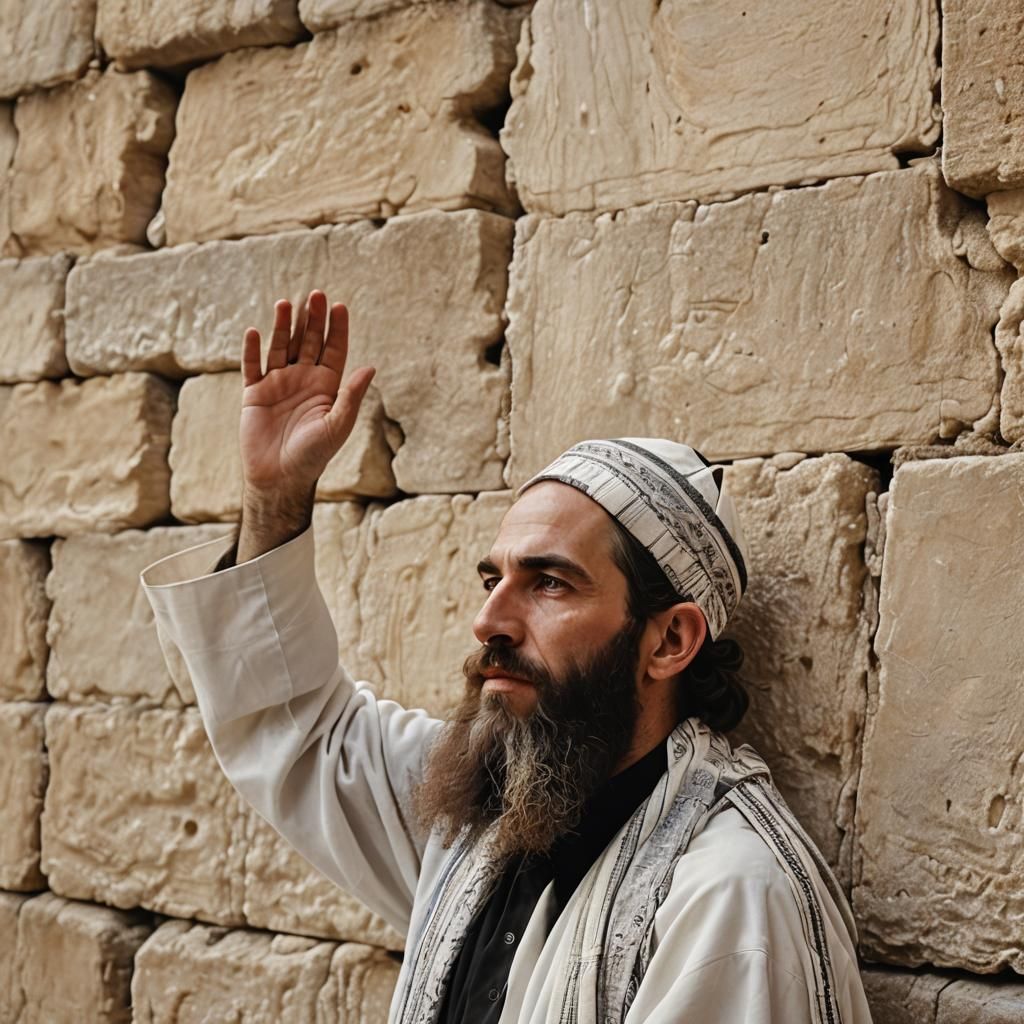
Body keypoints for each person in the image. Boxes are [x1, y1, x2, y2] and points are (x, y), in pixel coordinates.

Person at [142, 290, 874, 1023]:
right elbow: (302, 732)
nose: (489, 619)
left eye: (549, 583)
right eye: (495, 579)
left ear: (669, 641)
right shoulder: (486, 814)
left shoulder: (729, 901)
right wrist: (275, 495)